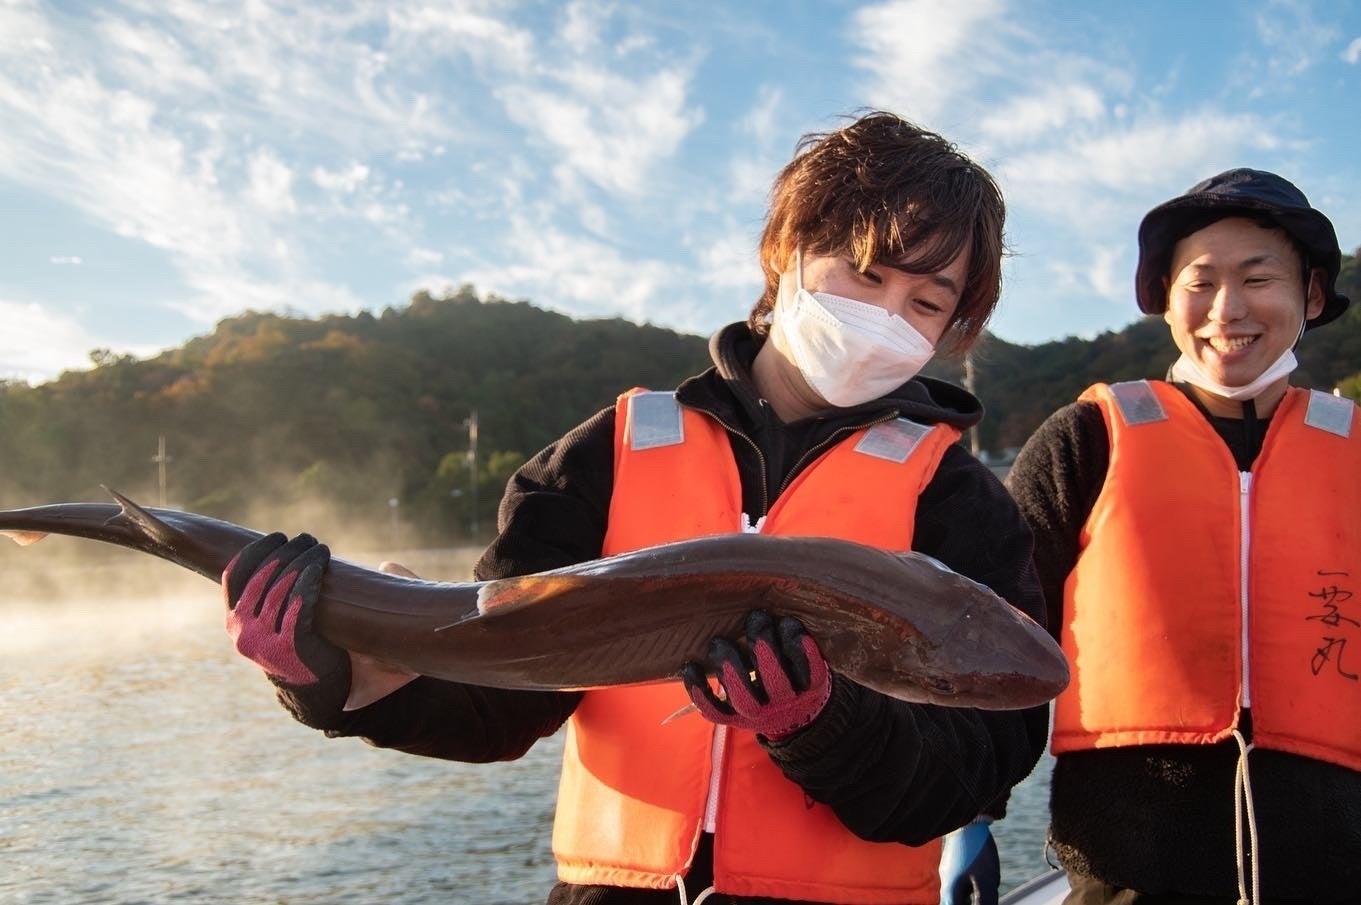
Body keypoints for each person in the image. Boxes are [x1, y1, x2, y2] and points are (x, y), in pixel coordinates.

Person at [221, 111, 1050, 905]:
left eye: (926, 303)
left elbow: (978, 764)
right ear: (786, 253)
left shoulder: (959, 498)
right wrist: (333, 679)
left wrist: (824, 723)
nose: (884, 318)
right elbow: (500, 697)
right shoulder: (606, 453)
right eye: (864, 275)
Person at [1005, 168, 1361, 904]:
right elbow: (984, 639)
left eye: (1258, 278)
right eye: (1198, 282)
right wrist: (967, 816)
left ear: (1312, 296)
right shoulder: (1086, 441)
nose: (1226, 309)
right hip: (1124, 872)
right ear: (1166, 300)